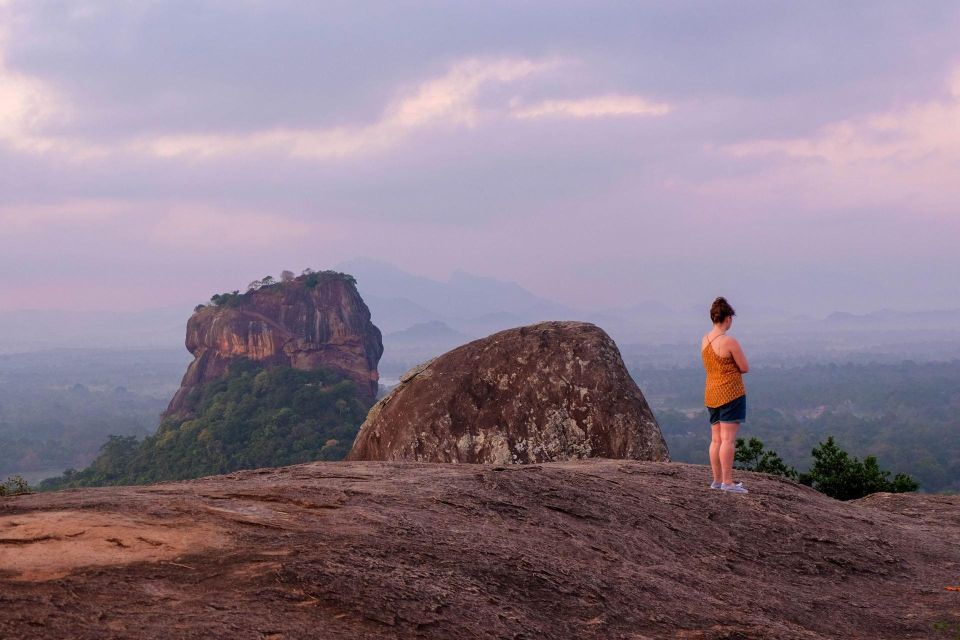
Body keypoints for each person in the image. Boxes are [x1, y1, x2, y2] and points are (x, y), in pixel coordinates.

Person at [701, 297, 749, 493]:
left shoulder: (705, 340)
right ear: (728, 318)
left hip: (711, 393)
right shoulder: (729, 341)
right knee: (728, 440)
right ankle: (727, 483)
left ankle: (717, 480)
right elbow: (744, 367)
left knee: (716, 439)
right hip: (730, 392)